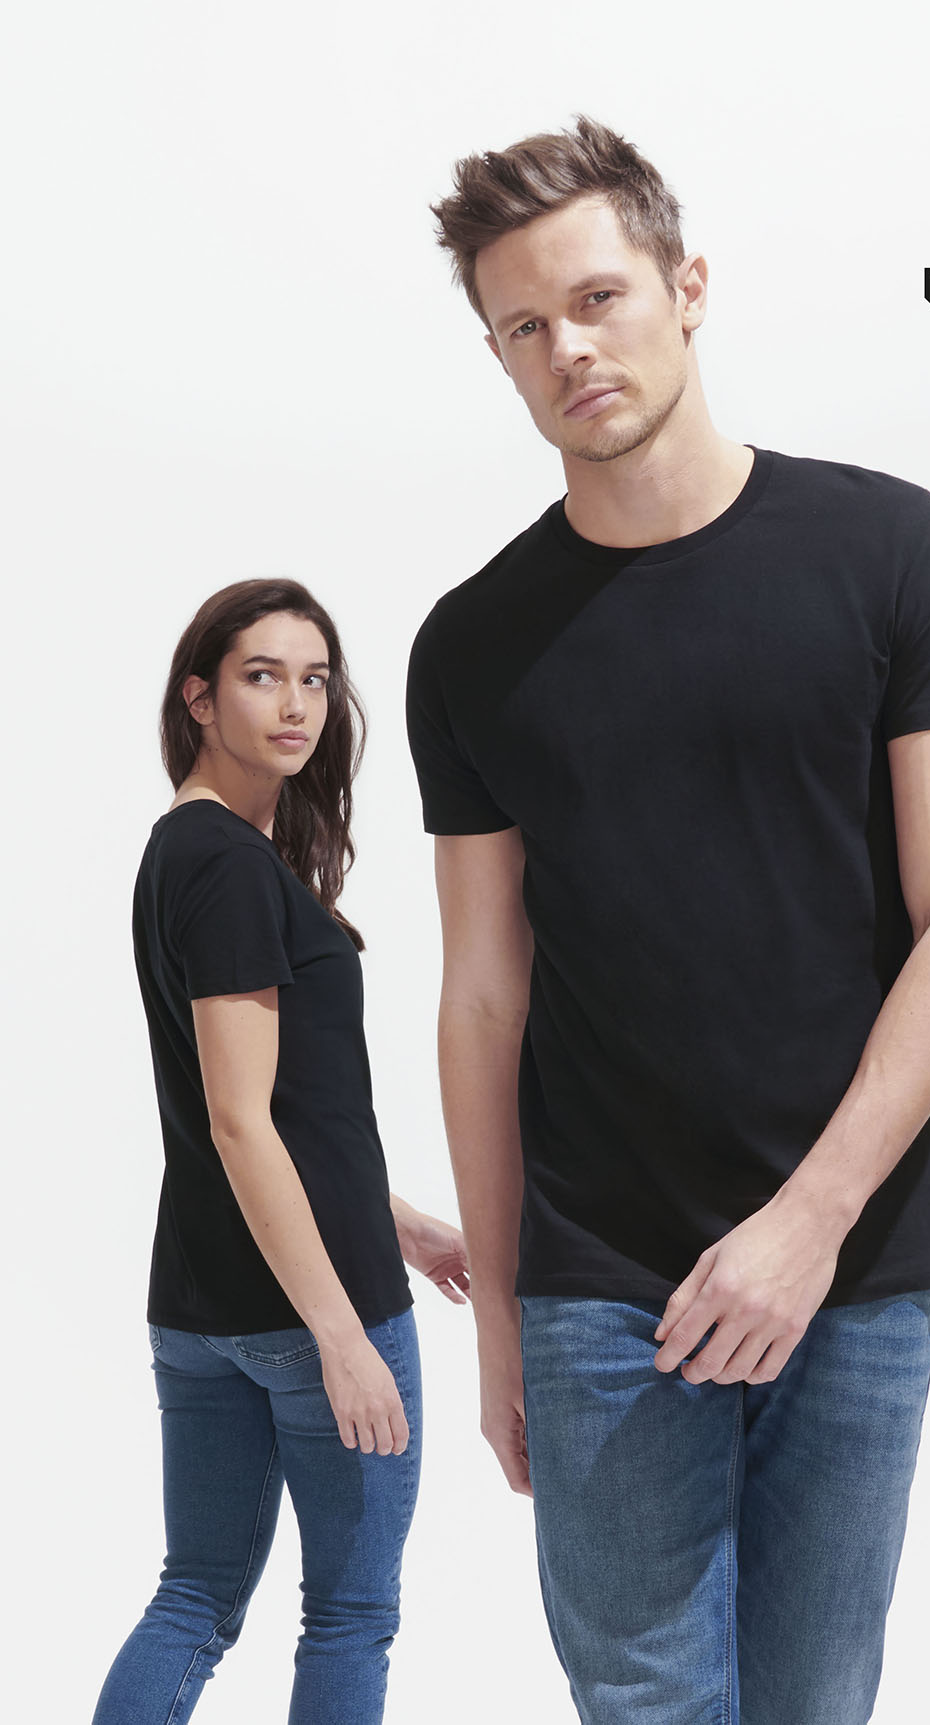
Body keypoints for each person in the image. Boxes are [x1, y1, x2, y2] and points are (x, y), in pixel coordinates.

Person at [407, 118, 930, 1724]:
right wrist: (501, 1320)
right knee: (645, 1705)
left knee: (813, 1700)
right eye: (522, 327)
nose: (567, 347)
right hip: (598, 1279)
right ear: (497, 357)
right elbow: (482, 997)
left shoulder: (892, 551)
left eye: (595, 298)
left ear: (685, 287)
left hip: (855, 1254)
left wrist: (807, 1223)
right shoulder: (470, 644)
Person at [94, 578, 469, 1725]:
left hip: (199, 1303)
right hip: (311, 1308)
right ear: (199, 698)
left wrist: (401, 1224)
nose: (297, 704)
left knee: (194, 1596)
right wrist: (341, 1337)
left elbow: (285, 1112)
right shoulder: (225, 864)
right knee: (350, 1613)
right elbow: (240, 1121)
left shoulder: (188, 852)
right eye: (263, 676)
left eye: (315, 679)